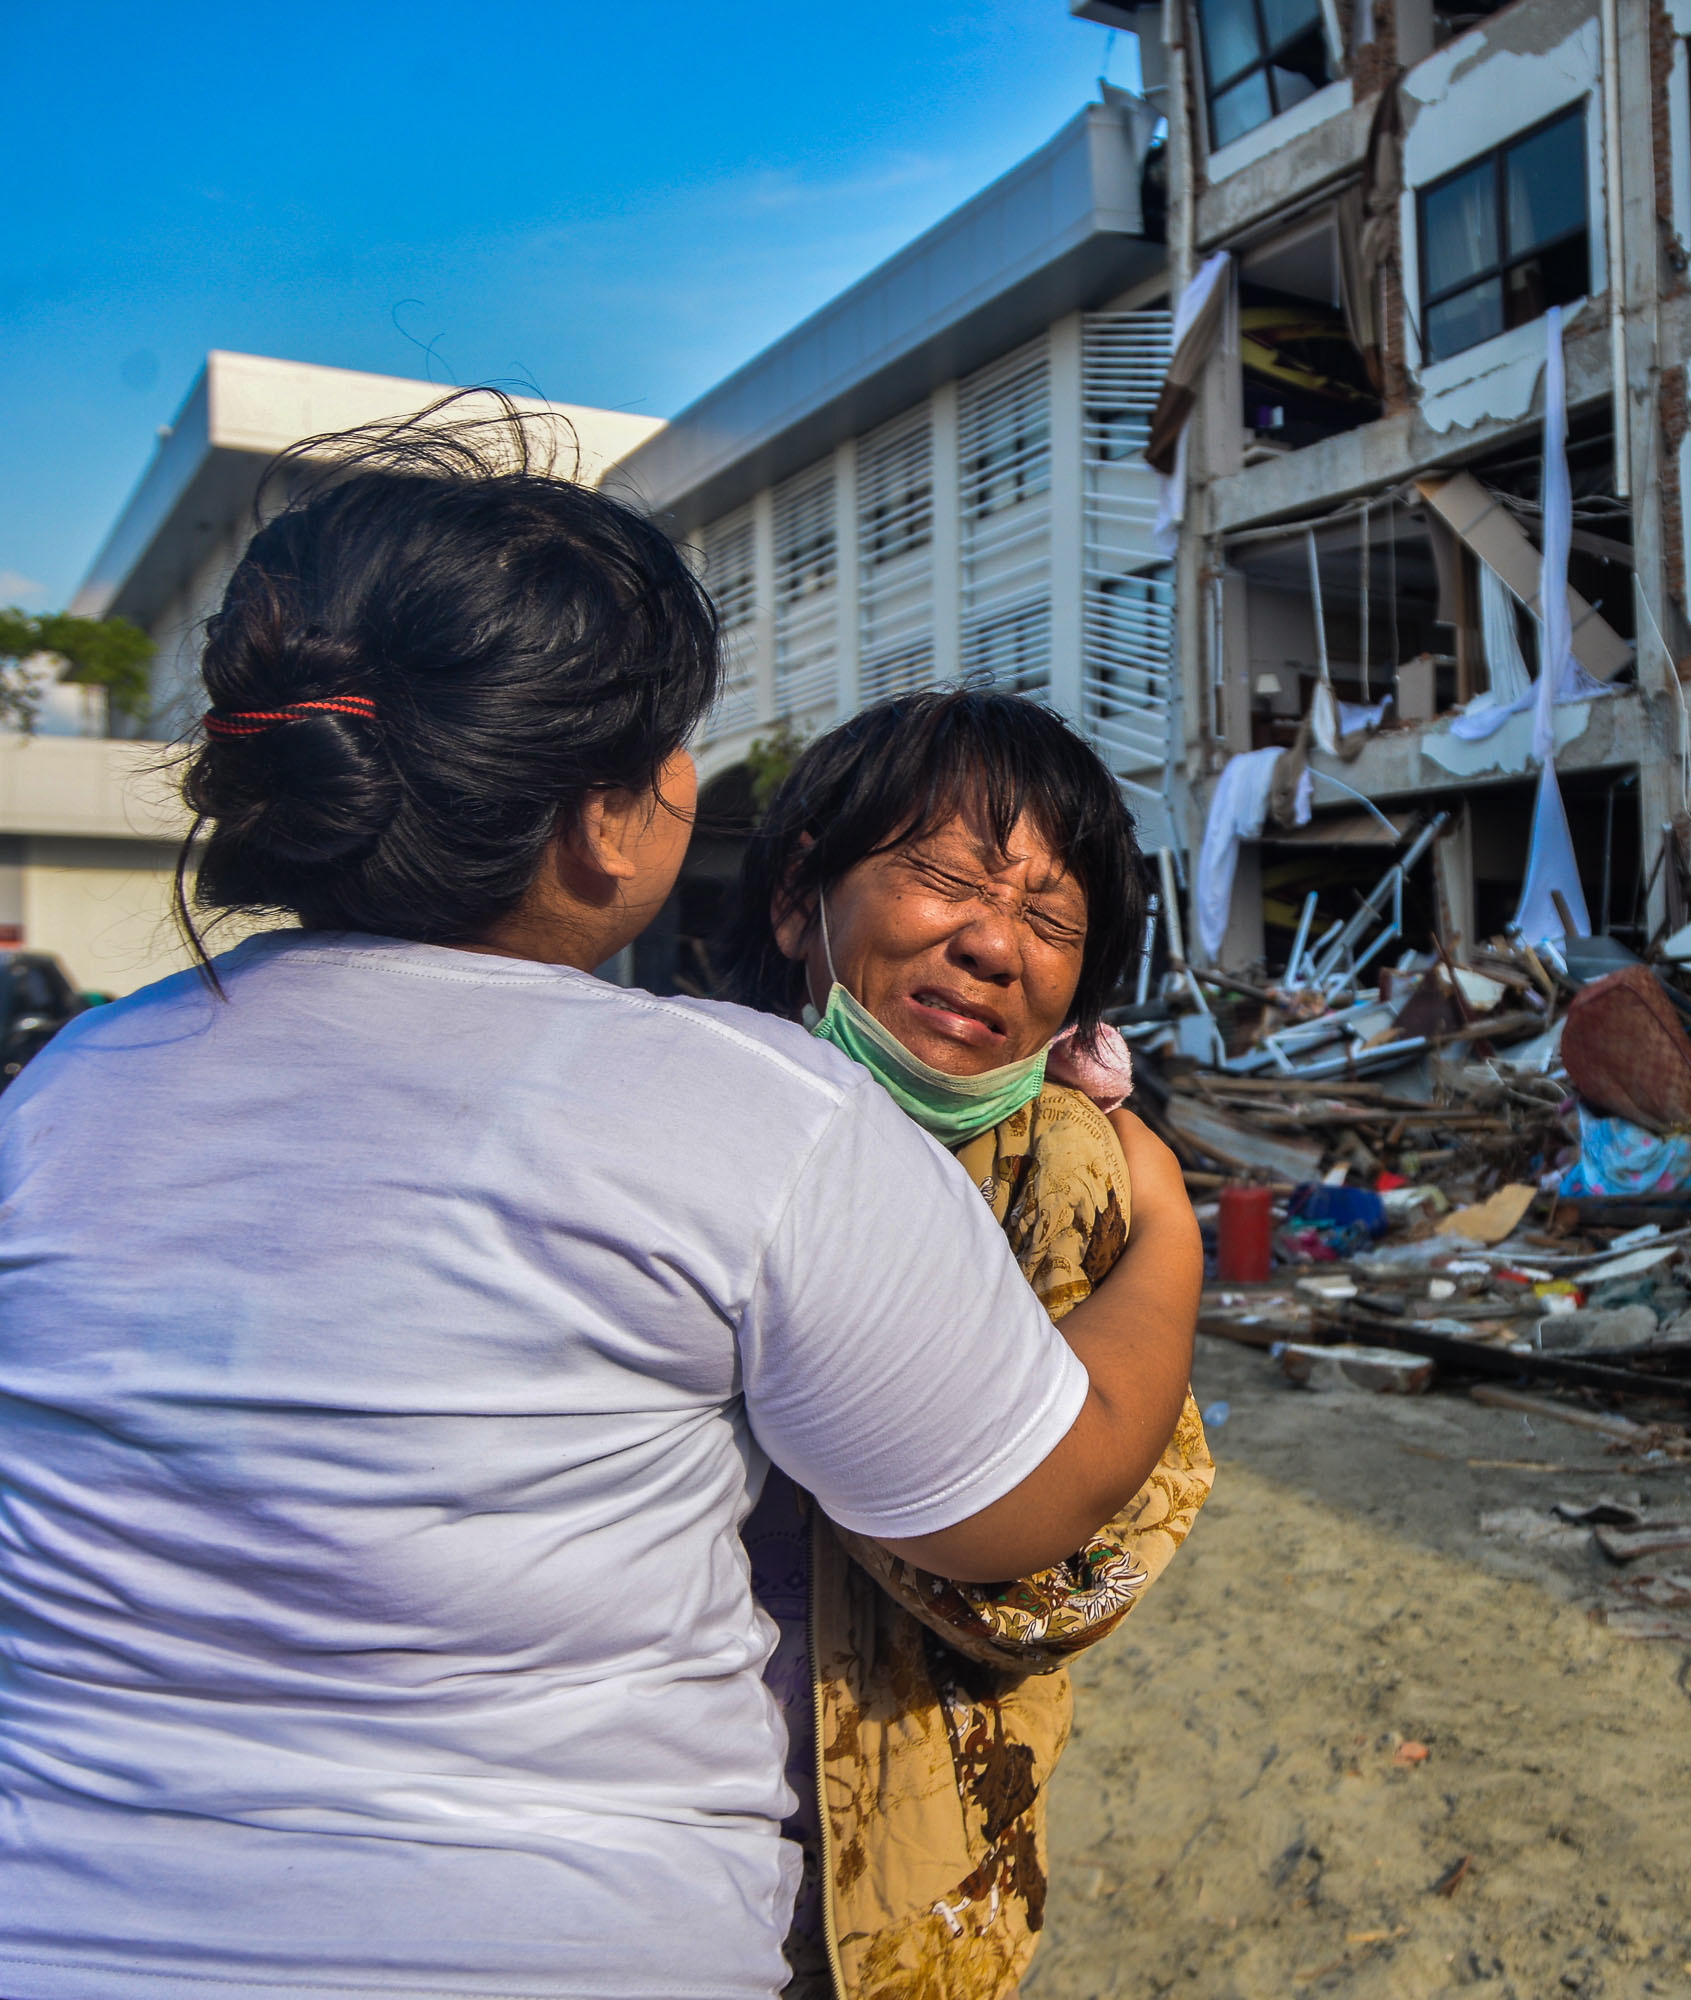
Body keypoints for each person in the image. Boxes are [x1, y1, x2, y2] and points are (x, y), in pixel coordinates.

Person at [0, 408, 1201, 2000]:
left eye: (1047, 911)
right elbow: (1027, 1510)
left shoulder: (66, 1091)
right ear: (600, 820)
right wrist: (1174, 1231)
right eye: (669, 744)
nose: (994, 945)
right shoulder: (746, 1110)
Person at [714, 691, 1215, 1998]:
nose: (995, 944)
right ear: (795, 900)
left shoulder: (1070, 1174)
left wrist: (1163, 1224)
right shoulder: (678, 1118)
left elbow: (1058, 1581)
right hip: (648, 1861)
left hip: (899, 1895)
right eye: (942, 879)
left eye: (1051, 920)